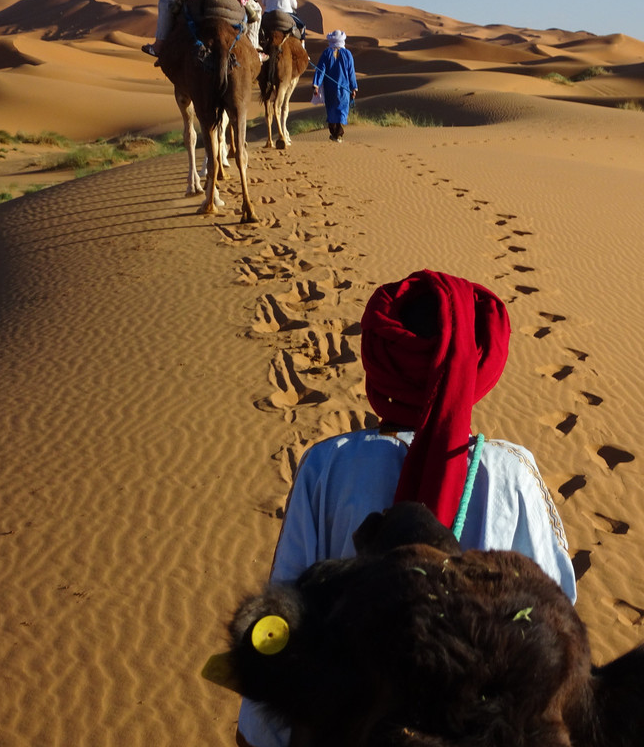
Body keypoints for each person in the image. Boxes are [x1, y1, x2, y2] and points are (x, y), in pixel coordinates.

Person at [235, 269, 576, 747]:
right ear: (480, 365)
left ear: (379, 361)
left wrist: (257, 736)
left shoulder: (328, 464)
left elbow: (283, 618)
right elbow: (555, 619)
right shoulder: (514, 473)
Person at [312, 29, 358, 142]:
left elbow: (320, 70)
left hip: (330, 89)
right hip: (344, 89)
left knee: (332, 111)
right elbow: (351, 72)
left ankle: (335, 134)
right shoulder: (347, 54)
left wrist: (316, 84)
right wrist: (354, 88)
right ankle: (338, 134)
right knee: (341, 110)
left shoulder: (326, 53)